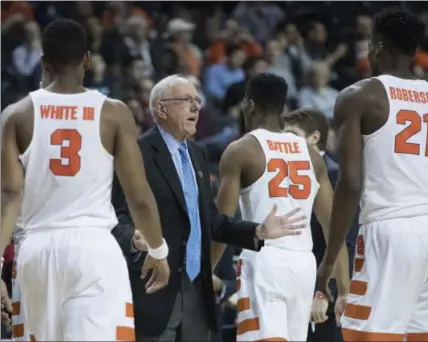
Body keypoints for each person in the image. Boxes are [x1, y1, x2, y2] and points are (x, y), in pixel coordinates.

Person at [0, 19, 171, 341]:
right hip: (93, 248)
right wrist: (157, 250)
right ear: (87, 60)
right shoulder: (114, 112)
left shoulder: (16, 114)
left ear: (43, 62)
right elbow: (138, 195)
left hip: (35, 249)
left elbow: (9, 195)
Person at [111, 74, 305, 342]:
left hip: (196, 294)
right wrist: (134, 237)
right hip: (154, 287)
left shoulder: (198, 154)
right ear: (161, 108)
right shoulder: (137, 152)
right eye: (185, 100)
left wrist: (257, 231)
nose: (195, 107)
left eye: (197, 100)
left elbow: (210, 220)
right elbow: (116, 216)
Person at [316, 7, 428, 342]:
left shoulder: (359, 96)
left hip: (390, 231)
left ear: (378, 47)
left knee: (367, 336)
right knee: (427, 336)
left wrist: (330, 259)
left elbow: (351, 183)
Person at [213, 73, 350, 341]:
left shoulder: (242, 150)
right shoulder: (311, 155)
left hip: (264, 260)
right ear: (283, 108)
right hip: (303, 265)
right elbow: (334, 228)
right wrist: (343, 288)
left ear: (249, 105)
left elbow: (222, 224)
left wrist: (206, 273)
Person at [283, 108, 360, 342]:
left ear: (315, 138)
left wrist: (323, 291)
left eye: (292, 136)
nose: (285, 143)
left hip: (322, 290)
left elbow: (344, 241)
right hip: (293, 282)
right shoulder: (287, 173)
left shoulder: (335, 176)